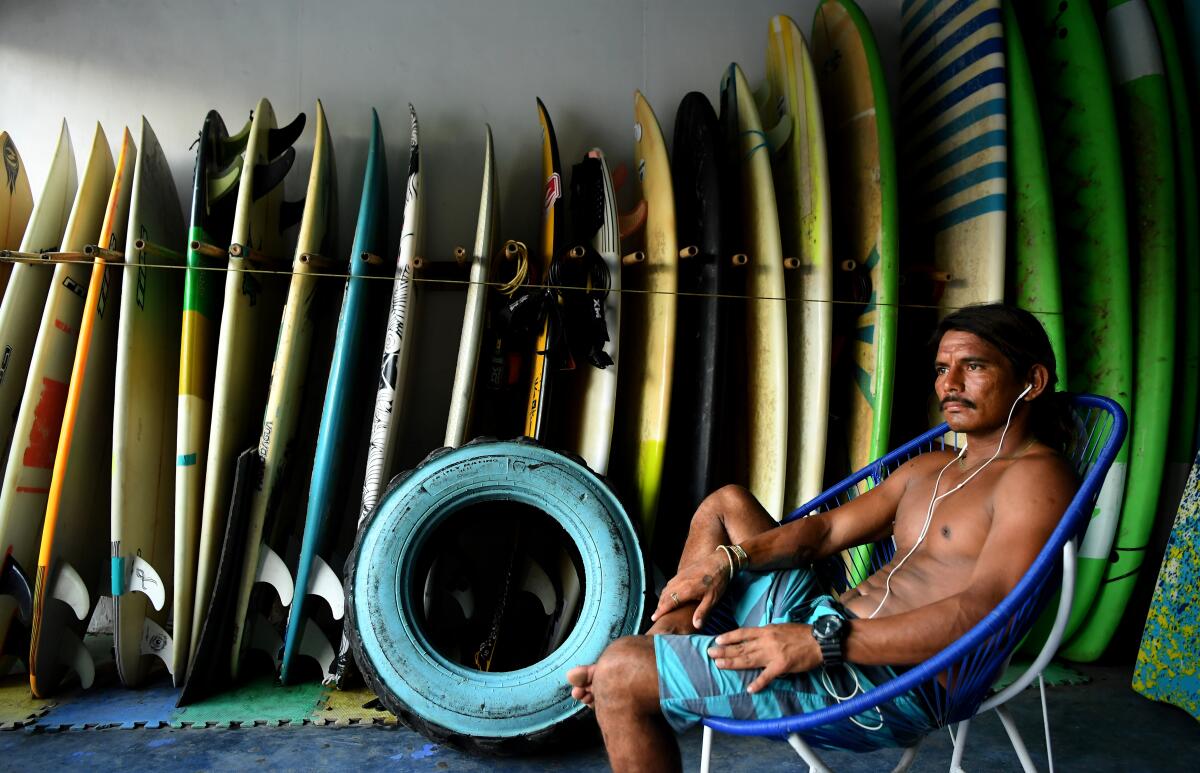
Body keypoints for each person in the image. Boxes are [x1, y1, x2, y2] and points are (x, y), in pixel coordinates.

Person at [566, 303, 1079, 772]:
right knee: (726, 505)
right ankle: (671, 636)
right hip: (825, 626)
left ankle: (643, 669)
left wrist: (822, 643)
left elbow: (988, 609)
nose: (950, 383)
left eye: (975, 366)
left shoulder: (1034, 478)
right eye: (943, 369)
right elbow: (826, 530)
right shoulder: (933, 466)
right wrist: (729, 562)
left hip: (885, 681)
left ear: (1031, 381)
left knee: (619, 673)